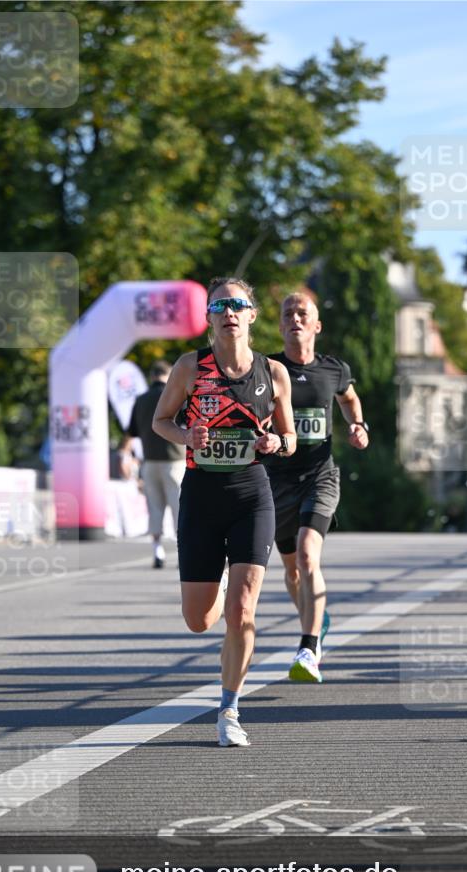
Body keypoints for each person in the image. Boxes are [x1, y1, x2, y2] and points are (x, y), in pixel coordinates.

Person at [152, 277, 296, 747]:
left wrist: (277, 441)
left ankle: (229, 709)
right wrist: (185, 437)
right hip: (202, 497)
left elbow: (290, 438)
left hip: (252, 496)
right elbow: (161, 421)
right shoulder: (190, 368)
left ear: (252, 314)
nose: (229, 312)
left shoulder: (273, 373)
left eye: (238, 304)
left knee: (243, 611)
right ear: (210, 317)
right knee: (199, 619)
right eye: (220, 306)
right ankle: (220, 589)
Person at [266, 291, 369, 683]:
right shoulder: (269, 368)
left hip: (320, 475)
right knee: (292, 571)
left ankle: (309, 648)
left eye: (302, 312)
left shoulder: (334, 369)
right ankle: (316, 618)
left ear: (316, 325)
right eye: (287, 313)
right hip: (277, 480)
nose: (294, 318)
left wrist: (358, 425)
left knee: (309, 555)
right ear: (279, 325)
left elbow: (350, 399)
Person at [121, 360, 185, 568]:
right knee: (179, 509)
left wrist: (124, 455)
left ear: (151, 377)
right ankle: (181, 551)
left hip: (149, 462)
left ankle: (157, 551)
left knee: (155, 508)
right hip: (175, 460)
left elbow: (131, 433)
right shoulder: (176, 395)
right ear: (169, 375)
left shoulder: (140, 400)